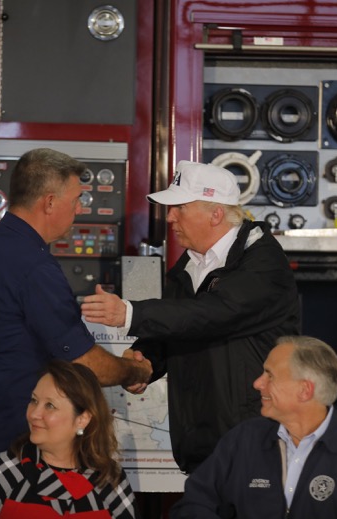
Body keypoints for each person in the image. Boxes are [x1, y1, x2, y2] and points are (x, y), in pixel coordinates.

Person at [0, 148, 151, 519]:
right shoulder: (34, 266)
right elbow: (82, 362)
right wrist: (133, 371)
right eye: (76, 201)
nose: (79, 212)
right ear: (50, 201)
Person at [81, 160, 301, 473]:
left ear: (216, 214)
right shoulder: (190, 264)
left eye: (180, 207)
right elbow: (180, 328)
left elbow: (214, 313)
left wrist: (130, 313)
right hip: (200, 444)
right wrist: (146, 361)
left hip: (255, 443)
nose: (170, 217)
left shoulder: (263, 262)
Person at [169, 336, 337, 519]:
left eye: (269, 375)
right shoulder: (243, 441)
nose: (257, 383)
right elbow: (192, 506)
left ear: (305, 390)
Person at [0, 360, 137, 519]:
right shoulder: (6, 471)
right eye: (34, 400)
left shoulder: (109, 478)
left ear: (82, 419)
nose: (34, 414)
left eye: (50, 406)